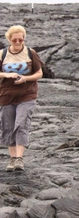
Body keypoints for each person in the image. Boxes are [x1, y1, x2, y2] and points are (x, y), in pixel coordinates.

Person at [0, 25, 43, 172]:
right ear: (9, 39)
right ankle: (12, 159)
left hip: (27, 95)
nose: (18, 42)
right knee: (8, 126)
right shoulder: (2, 54)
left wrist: (25, 78)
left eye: (21, 39)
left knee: (21, 124)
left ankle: (19, 158)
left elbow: (39, 73)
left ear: (24, 38)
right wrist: (5, 75)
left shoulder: (30, 53)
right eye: (15, 40)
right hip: (6, 96)